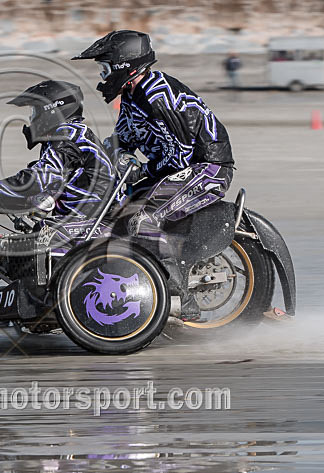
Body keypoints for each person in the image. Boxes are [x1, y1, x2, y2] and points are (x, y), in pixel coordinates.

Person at [73, 30, 236, 321]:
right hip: (174, 170)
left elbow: (180, 157)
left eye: (105, 68)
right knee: (113, 217)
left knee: (144, 219)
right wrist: (88, 159)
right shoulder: (133, 94)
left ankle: (181, 301)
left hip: (205, 169)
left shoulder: (157, 95)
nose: (102, 75)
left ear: (125, 65)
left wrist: (139, 171)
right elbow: (121, 139)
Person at [0, 80, 116, 221]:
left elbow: (39, 179)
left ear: (51, 110)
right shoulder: (66, 135)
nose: (32, 118)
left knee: (29, 247)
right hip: (81, 218)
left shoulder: (68, 135)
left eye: (35, 111)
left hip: (94, 220)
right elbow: (39, 193)